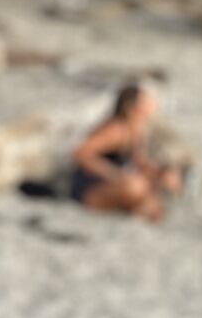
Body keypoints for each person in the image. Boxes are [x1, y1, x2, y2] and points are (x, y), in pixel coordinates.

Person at [70, 84, 182, 222]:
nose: (152, 104)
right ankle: (140, 207)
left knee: (165, 179)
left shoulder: (137, 129)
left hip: (117, 184)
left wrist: (161, 173)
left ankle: (144, 208)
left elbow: (140, 163)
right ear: (131, 107)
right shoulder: (117, 129)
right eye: (146, 101)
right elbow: (80, 153)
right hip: (90, 188)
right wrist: (114, 174)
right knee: (135, 187)